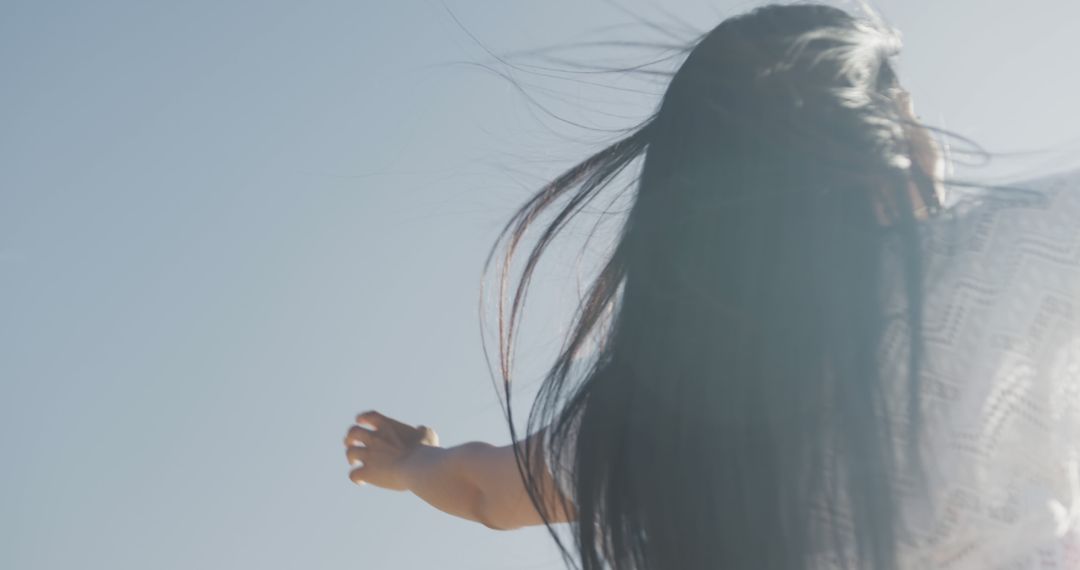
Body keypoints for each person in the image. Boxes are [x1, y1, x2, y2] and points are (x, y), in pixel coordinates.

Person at [343, 3, 1080, 569]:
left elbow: (486, 492)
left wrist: (411, 464)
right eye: (914, 120)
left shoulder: (659, 411)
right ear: (879, 152)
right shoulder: (1000, 257)